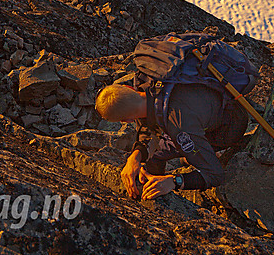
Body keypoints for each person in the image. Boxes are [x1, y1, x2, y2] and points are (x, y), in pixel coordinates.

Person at [95, 81, 247, 200]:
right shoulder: (148, 81)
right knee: (153, 155)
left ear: (126, 120)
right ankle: (179, 163)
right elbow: (147, 124)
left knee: (162, 153)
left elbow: (215, 175)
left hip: (230, 126)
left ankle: (160, 185)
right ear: (129, 88)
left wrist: (174, 181)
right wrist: (136, 155)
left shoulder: (180, 127)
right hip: (223, 100)